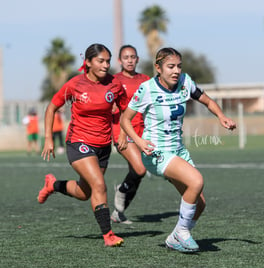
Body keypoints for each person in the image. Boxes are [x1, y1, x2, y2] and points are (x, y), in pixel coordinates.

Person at [120, 47, 236, 252]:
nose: (176, 71)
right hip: (155, 152)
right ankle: (183, 231)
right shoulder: (147, 89)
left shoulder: (186, 82)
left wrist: (221, 116)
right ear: (158, 68)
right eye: (170, 66)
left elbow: (207, 100)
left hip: (178, 150)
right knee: (196, 180)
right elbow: (125, 119)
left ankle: (175, 237)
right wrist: (138, 142)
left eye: (179, 66)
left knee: (199, 205)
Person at [38, 43, 129, 247]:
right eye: (100, 61)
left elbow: (125, 110)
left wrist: (122, 133)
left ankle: (53, 185)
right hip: (79, 142)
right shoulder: (75, 84)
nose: (106, 65)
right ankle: (108, 236)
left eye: (107, 61)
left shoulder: (114, 84)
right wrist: (48, 139)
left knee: (84, 192)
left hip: (103, 146)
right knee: (99, 185)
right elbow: (51, 107)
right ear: (88, 62)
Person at [111, 45, 150, 224]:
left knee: (137, 174)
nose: (129, 60)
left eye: (132, 57)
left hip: (142, 131)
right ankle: (121, 190)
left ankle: (118, 213)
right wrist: (121, 134)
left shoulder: (145, 80)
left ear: (137, 59)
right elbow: (113, 109)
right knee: (140, 169)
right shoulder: (114, 80)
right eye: (125, 57)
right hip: (123, 131)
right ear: (120, 60)